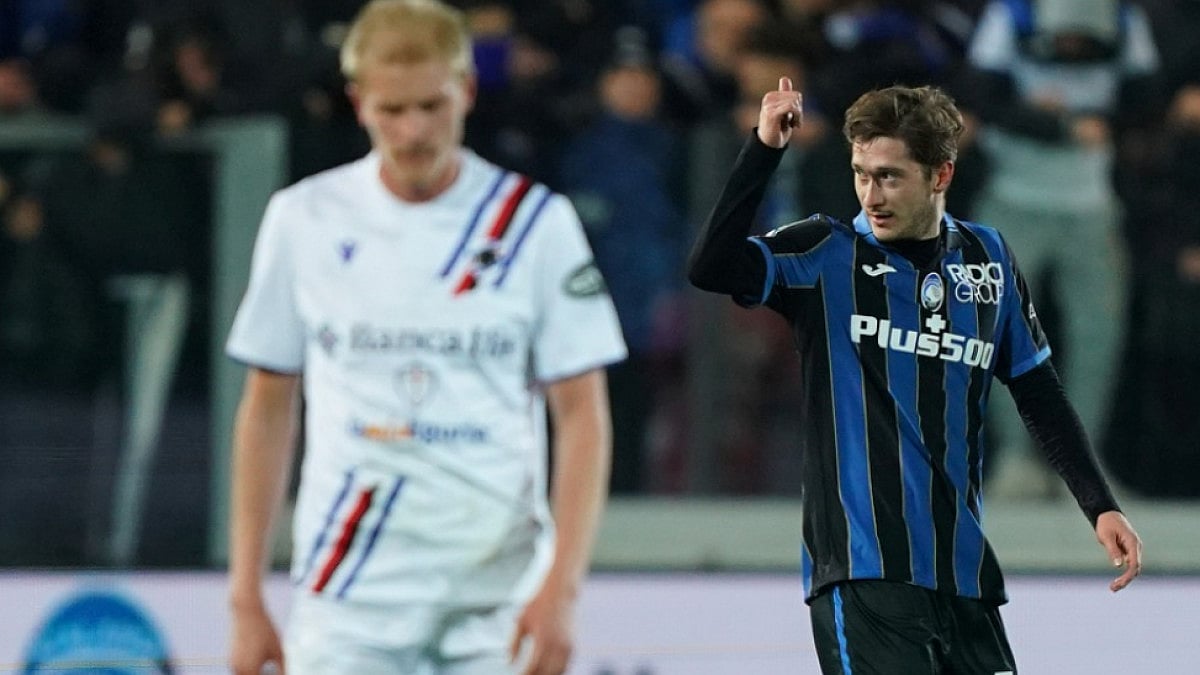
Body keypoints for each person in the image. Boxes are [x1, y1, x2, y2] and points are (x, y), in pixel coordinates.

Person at [224, 1, 627, 673]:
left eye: (432, 106)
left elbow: (583, 413)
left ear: (466, 91)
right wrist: (244, 597)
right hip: (345, 596)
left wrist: (564, 587)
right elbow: (267, 405)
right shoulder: (303, 219)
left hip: (499, 597)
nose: (413, 131)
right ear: (358, 104)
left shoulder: (534, 223)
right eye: (392, 110)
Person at [687, 78, 1142, 673]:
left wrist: (1099, 503)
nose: (871, 195)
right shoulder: (826, 252)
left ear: (941, 176)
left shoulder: (988, 260)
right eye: (861, 173)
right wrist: (764, 150)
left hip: (963, 573)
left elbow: (1037, 390)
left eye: (890, 176)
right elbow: (711, 268)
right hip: (863, 570)